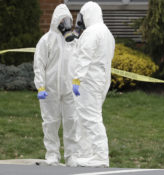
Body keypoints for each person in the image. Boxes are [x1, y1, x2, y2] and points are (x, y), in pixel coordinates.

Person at [33, 4, 78, 166]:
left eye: (68, 20)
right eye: (62, 19)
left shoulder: (72, 41)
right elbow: (39, 65)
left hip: (69, 89)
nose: (65, 22)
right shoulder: (46, 40)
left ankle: (71, 155)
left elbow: (78, 63)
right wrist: (41, 86)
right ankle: (52, 154)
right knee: (50, 122)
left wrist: (77, 83)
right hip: (50, 90)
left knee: (71, 121)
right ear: (55, 20)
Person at [72, 1, 115, 167]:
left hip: (88, 81)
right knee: (87, 117)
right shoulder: (106, 32)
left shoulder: (92, 32)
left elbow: (83, 57)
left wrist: (77, 79)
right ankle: (87, 153)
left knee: (91, 118)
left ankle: (100, 156)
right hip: (101, 80)